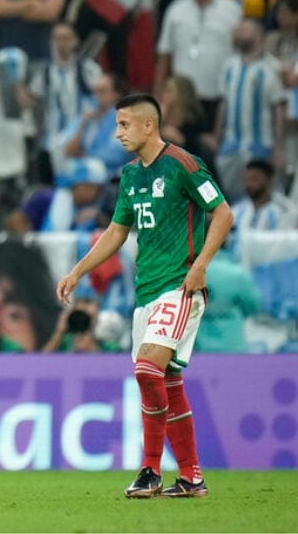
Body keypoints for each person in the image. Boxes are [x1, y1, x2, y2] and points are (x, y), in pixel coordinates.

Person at [56, 92, 234, 499]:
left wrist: (201, 265)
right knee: (168, 381)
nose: (117, 133)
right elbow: (118, 232)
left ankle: (150, 470)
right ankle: (191, 477)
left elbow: (222, 212)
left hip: (180, 285)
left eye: (123, 125)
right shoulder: (132, 175)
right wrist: (77, 271)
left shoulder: (183, 165)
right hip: (146, 292)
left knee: (147, 370)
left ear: (147, 126)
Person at [155, 0, 242, 129]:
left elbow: (239, 54)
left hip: (217, 93)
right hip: (182, 97)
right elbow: (164, 55)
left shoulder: (231, 10)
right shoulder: (175, 10)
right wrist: (157, 97)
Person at [214, 20, 288, 200]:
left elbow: (278, 108)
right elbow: (224, 104)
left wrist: (279, 149)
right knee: (231, 197)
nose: (240, 32)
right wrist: (217, 137)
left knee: (261, 194)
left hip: (260, 145)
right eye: (239, 29)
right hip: (231, 146)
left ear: (259, 36)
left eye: (246, 29)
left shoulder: (271, 68)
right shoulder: (229, 67)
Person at [32, 22, 104, 165]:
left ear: (75, 41)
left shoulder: (88, 70)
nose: (61, 43)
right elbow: (32, 101)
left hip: (81, 143)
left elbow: (102, 100)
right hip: (51, 143)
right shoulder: (44, 72)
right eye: (57, 39)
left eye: (66, 38)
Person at [230, 160, 298, 230]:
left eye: (254, 179)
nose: (249, 184)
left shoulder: (285, 210)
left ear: (269, 180)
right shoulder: (236, 211)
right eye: (247, 179)